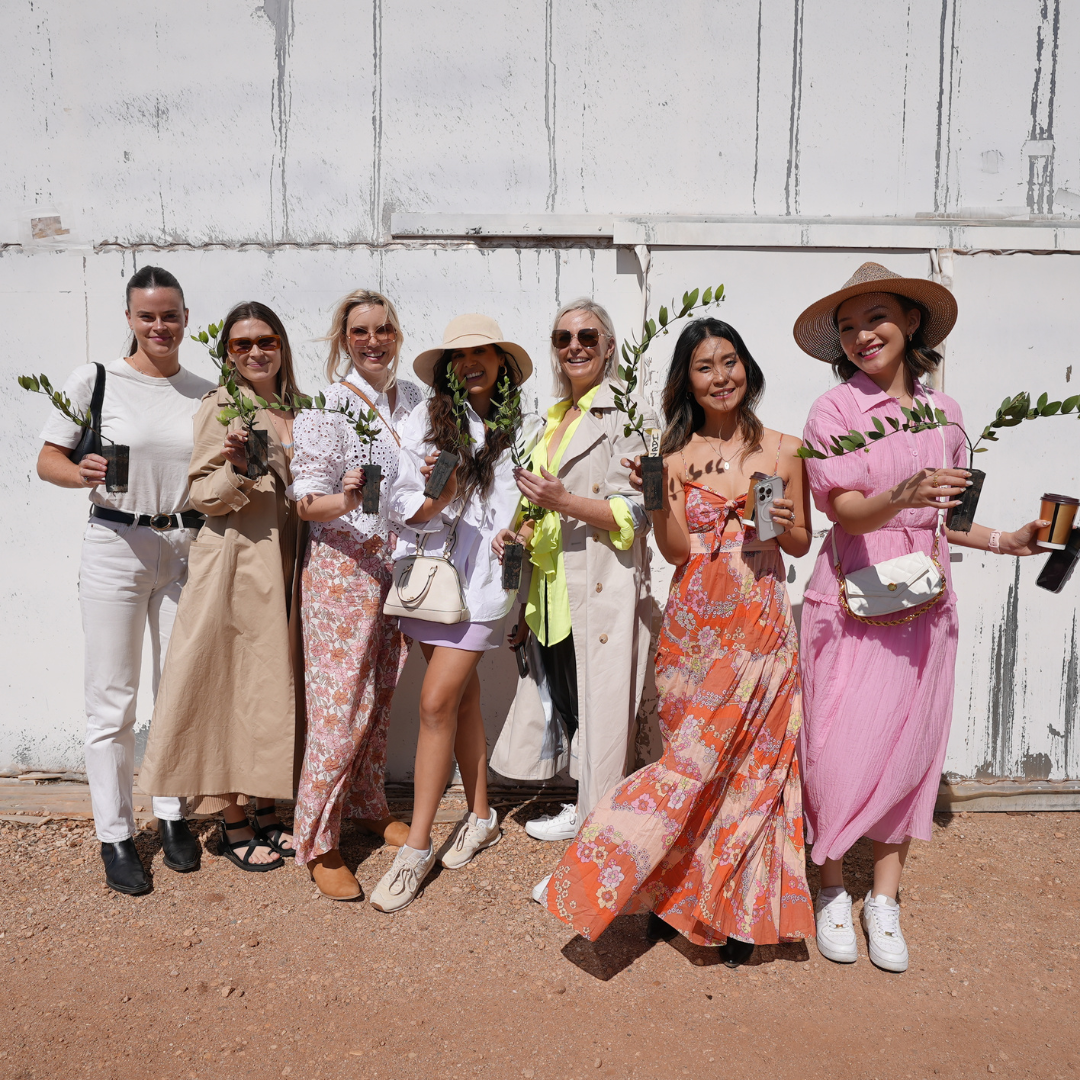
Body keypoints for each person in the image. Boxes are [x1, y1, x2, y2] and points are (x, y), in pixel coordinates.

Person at [792, 262, 1048, 973]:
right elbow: (841, 510)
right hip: (849, 604)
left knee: (908, 755)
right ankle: (833, 888)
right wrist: (901, 488)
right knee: (837, 751)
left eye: (874, 318)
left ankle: (885, 898)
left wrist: (1005, 539)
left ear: (909, 322)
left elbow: (943, 518)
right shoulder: (833, 412)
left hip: (923, 604)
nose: (860, 335)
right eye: (846, 326)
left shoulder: (948, 415)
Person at [543, 317, 815, 965]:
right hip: (694, 631)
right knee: (691, 767)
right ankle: (669, 891)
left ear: (746, 366)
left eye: (730, 362)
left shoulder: (785, 449)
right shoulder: (675, 456)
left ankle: (736, 909)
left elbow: (800, 542)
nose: (720, 377)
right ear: (686, 382)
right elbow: (673, 551)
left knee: (754, 773)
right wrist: (659, 495)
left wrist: (779, 521)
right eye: (704, 367)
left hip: (761, 626)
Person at [34, 266, 214, 895]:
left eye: (170, 315)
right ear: (130, 319)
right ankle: (114, 834)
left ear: (186, 318)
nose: (159, 326)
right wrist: (78, 471)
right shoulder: (98, 380)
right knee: (112, 697)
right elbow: (47, 459)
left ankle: (171, 818)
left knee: (179, 689)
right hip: (115, 542)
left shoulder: (206, 391)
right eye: (147, 316)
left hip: (185, 544)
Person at [371, 315, 538, 913]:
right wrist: (434, 494)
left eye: (482, 353)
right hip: (432, 581)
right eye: (459, 355)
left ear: (500, 361)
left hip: (487, 583)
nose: (470, 363)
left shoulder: (526, 425)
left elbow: (532, 500)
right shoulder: (426, 419)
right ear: (447, 365)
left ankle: (416, 848)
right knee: (462, 699)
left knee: (436, 702)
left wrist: (517, 533)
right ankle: (484, 814)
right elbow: (399, 503)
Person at [139, 302, 305, 874]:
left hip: (286, 562)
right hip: (237, 562)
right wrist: (238, 469)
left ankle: (264, 804)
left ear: (282, 345)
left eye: (265, 341)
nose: (255, 352)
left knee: (267, 687)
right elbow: (202, 494)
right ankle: (232, 815)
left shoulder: (298, 409)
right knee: (229, 683)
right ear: (228, 354)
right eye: (241, 344)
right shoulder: (223, 407)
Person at [490, 298, 654, 850]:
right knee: (568, 694)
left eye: (587, 336)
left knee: (603, 704)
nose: (575, 346)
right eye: (563, 338)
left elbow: (638, 510)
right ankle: (588, 807)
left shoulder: (631, 414)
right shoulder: (551, 419)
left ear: (609, 346)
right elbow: (540, 502)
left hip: (599, 579)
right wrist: (518, 532)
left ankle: (600, 822)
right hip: (552, 583)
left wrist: (565, 502)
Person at [289, 290, 422, 900]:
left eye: (384, 329)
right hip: (342, 570)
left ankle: (367, 803)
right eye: (361, 331)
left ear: (397, 335)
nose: (373, 340)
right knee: (339, 710)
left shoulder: (414, 401)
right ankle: (315, 839)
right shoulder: (327, 407)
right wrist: (346, 498)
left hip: (392, 565)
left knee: (381, 695)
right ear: (344, 339)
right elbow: (307, 504)